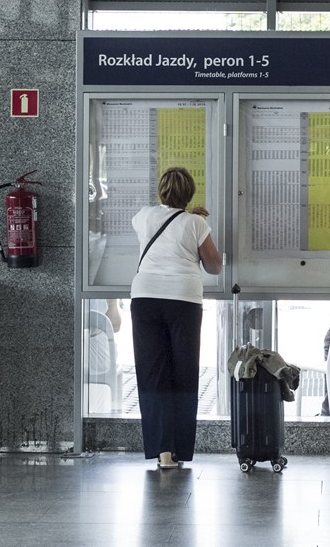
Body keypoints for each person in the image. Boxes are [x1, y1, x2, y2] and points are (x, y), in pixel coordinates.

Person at [130, 167, 223, 469]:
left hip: (144, 298)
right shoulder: (195, 223)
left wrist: (185, 217)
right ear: (191, 193)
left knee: (152, 373)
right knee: (183, 372)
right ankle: (180, 449)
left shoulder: (143, 216)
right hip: (183, 300)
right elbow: (215, 267)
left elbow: (164, 224)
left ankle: (163, 453)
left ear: (160, 191)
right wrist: (196, 223)